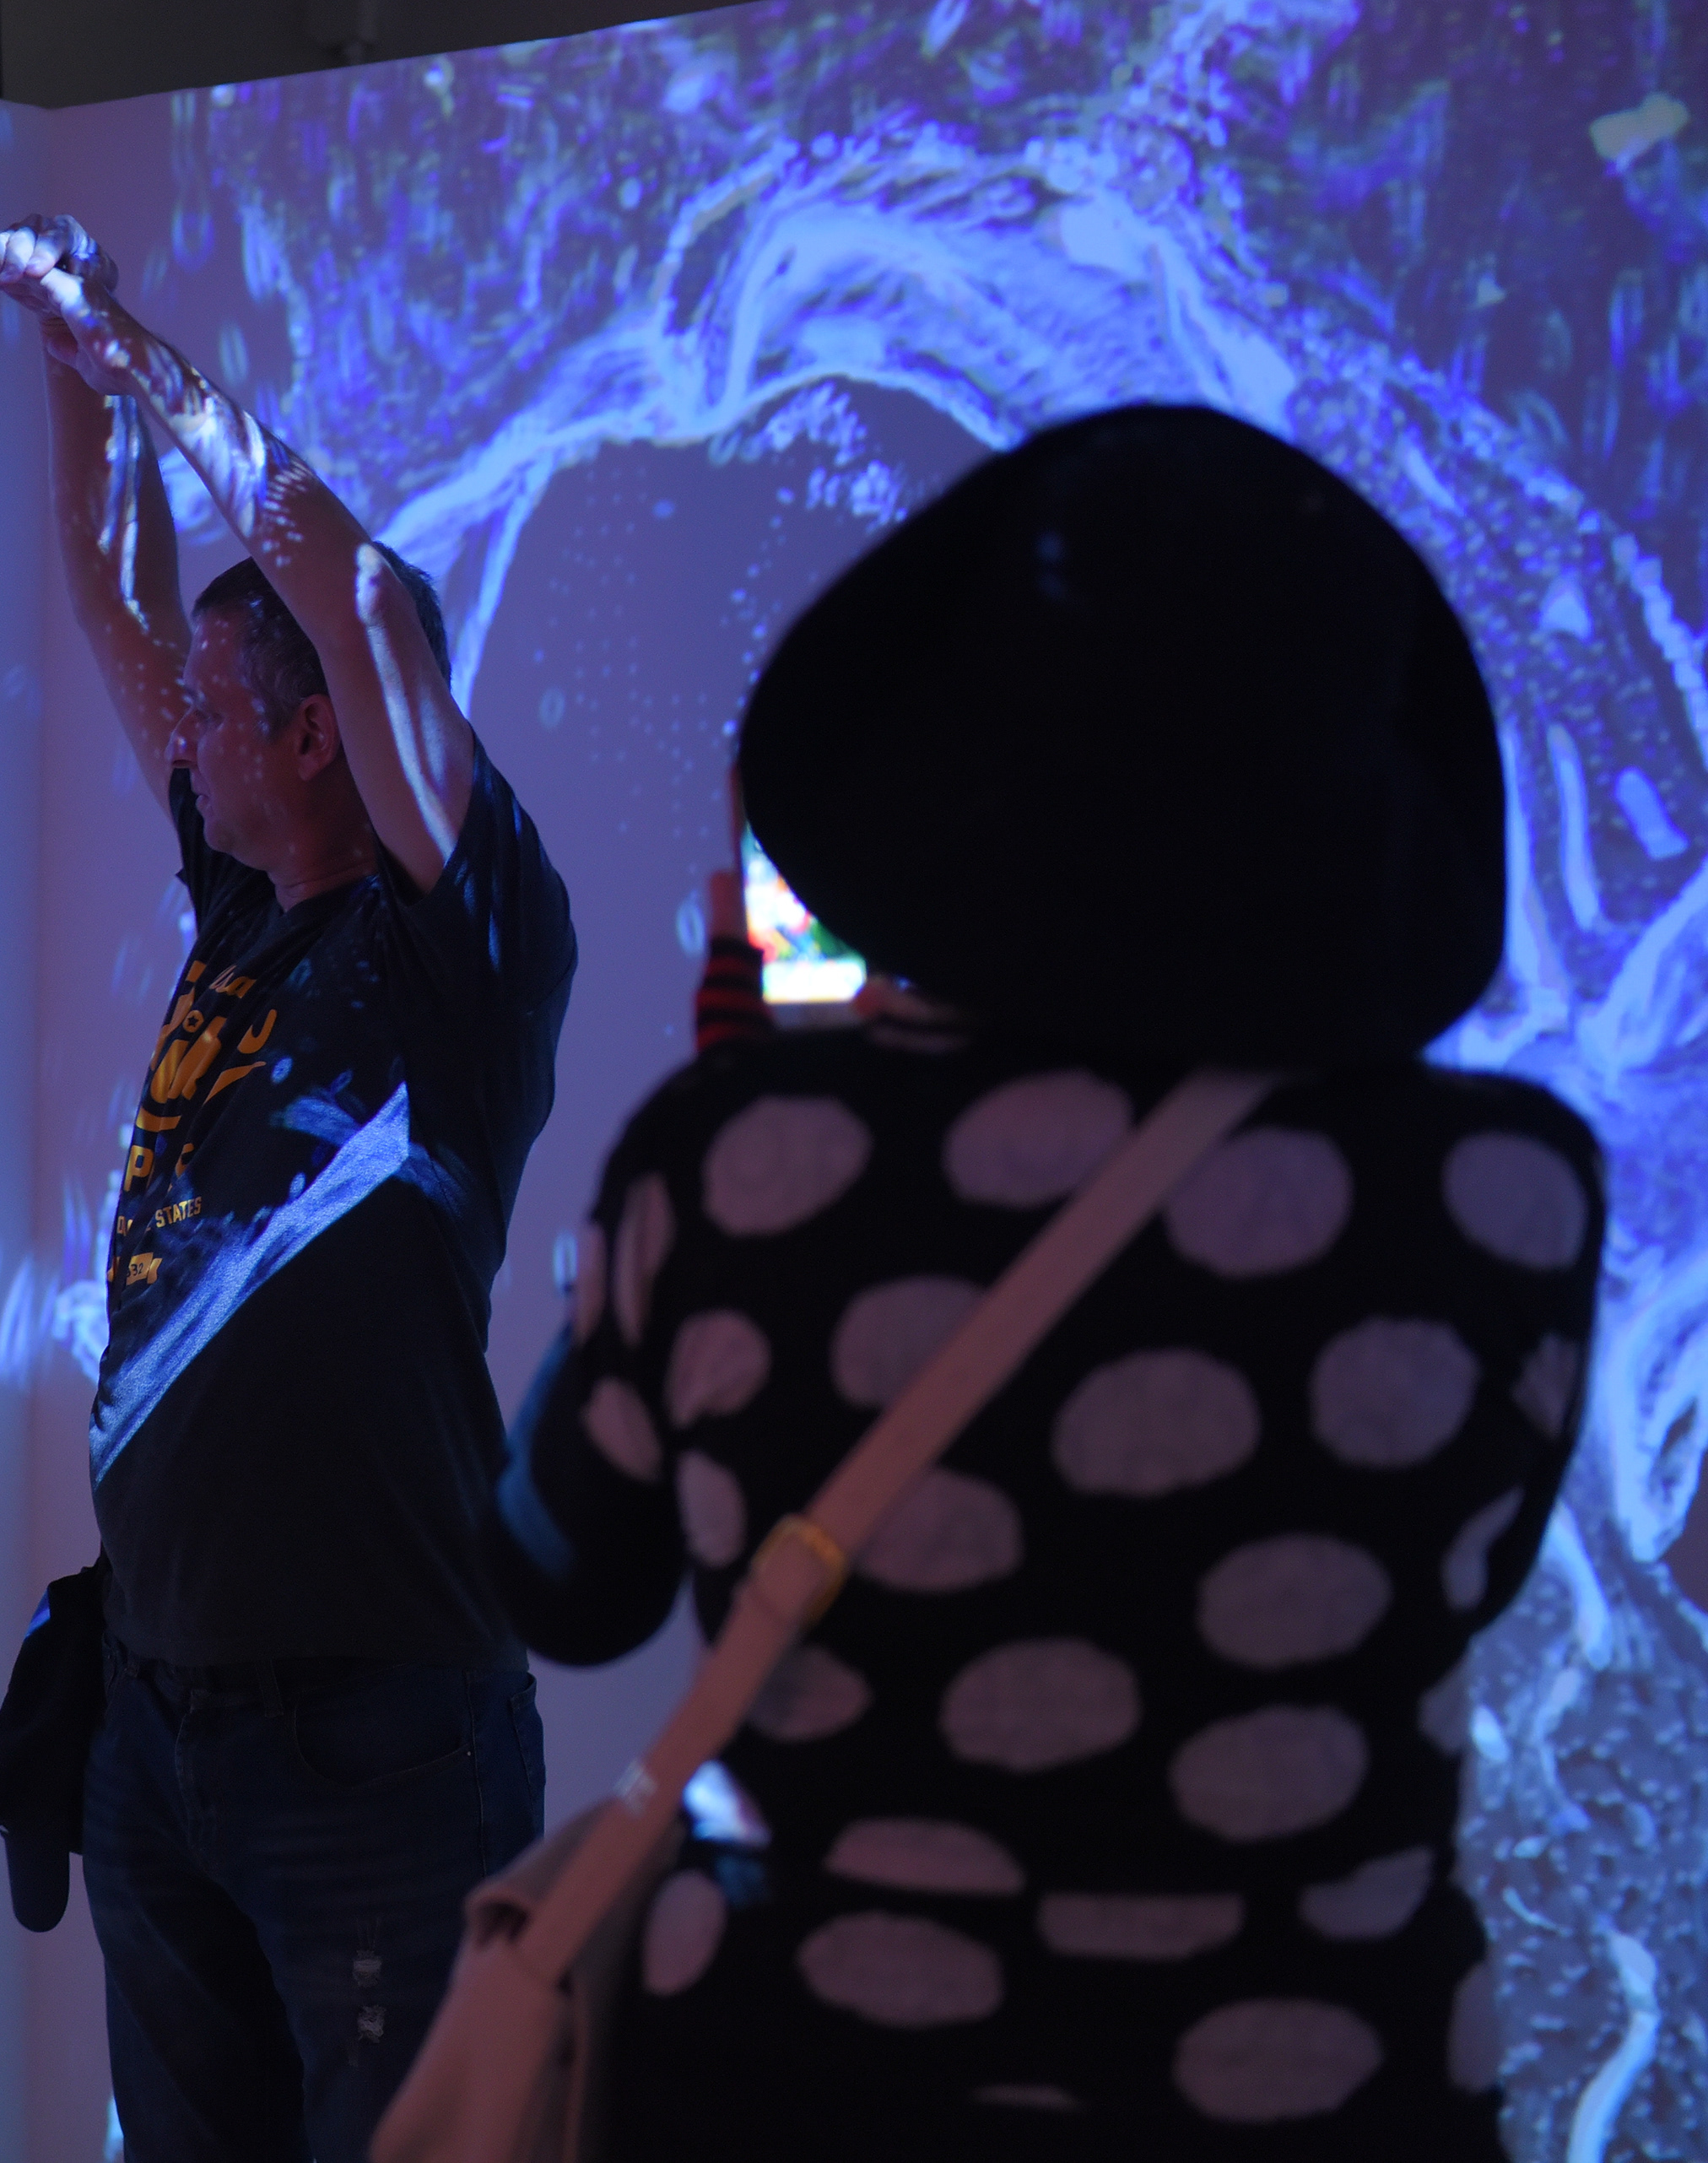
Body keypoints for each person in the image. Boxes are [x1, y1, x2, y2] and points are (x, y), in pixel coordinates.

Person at [492, 403, 1600, 2156]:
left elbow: (561, 1586)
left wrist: (676, 1195)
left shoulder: (734, 1164)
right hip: (1319, 2103)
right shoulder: (1505, 1191)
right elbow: (1458, 1572)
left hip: (810, 2102)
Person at [0, 216, 576, 2160]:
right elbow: (112, 587)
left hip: (372, 1745)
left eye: (220, 712)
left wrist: (142, 356)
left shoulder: (460, 945)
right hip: (164, 1724)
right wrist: (66, 363)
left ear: (321, 736)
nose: (181, 731)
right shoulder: (248, 901)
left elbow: (359, 594)